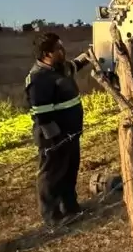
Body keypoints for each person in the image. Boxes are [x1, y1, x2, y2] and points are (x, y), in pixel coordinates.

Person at [25, 32, 91, 227]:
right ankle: (52, 215)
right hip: (55, 138)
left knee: (70, 170)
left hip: (71, 134)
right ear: (47, 53)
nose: (63, 51)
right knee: (51, 175)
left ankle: (70, 207)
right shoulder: (38, 79)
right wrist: (57, 140)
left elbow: (75, 65)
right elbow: (42, 116)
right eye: (58, 49)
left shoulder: (60, 69)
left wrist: (89, 55)